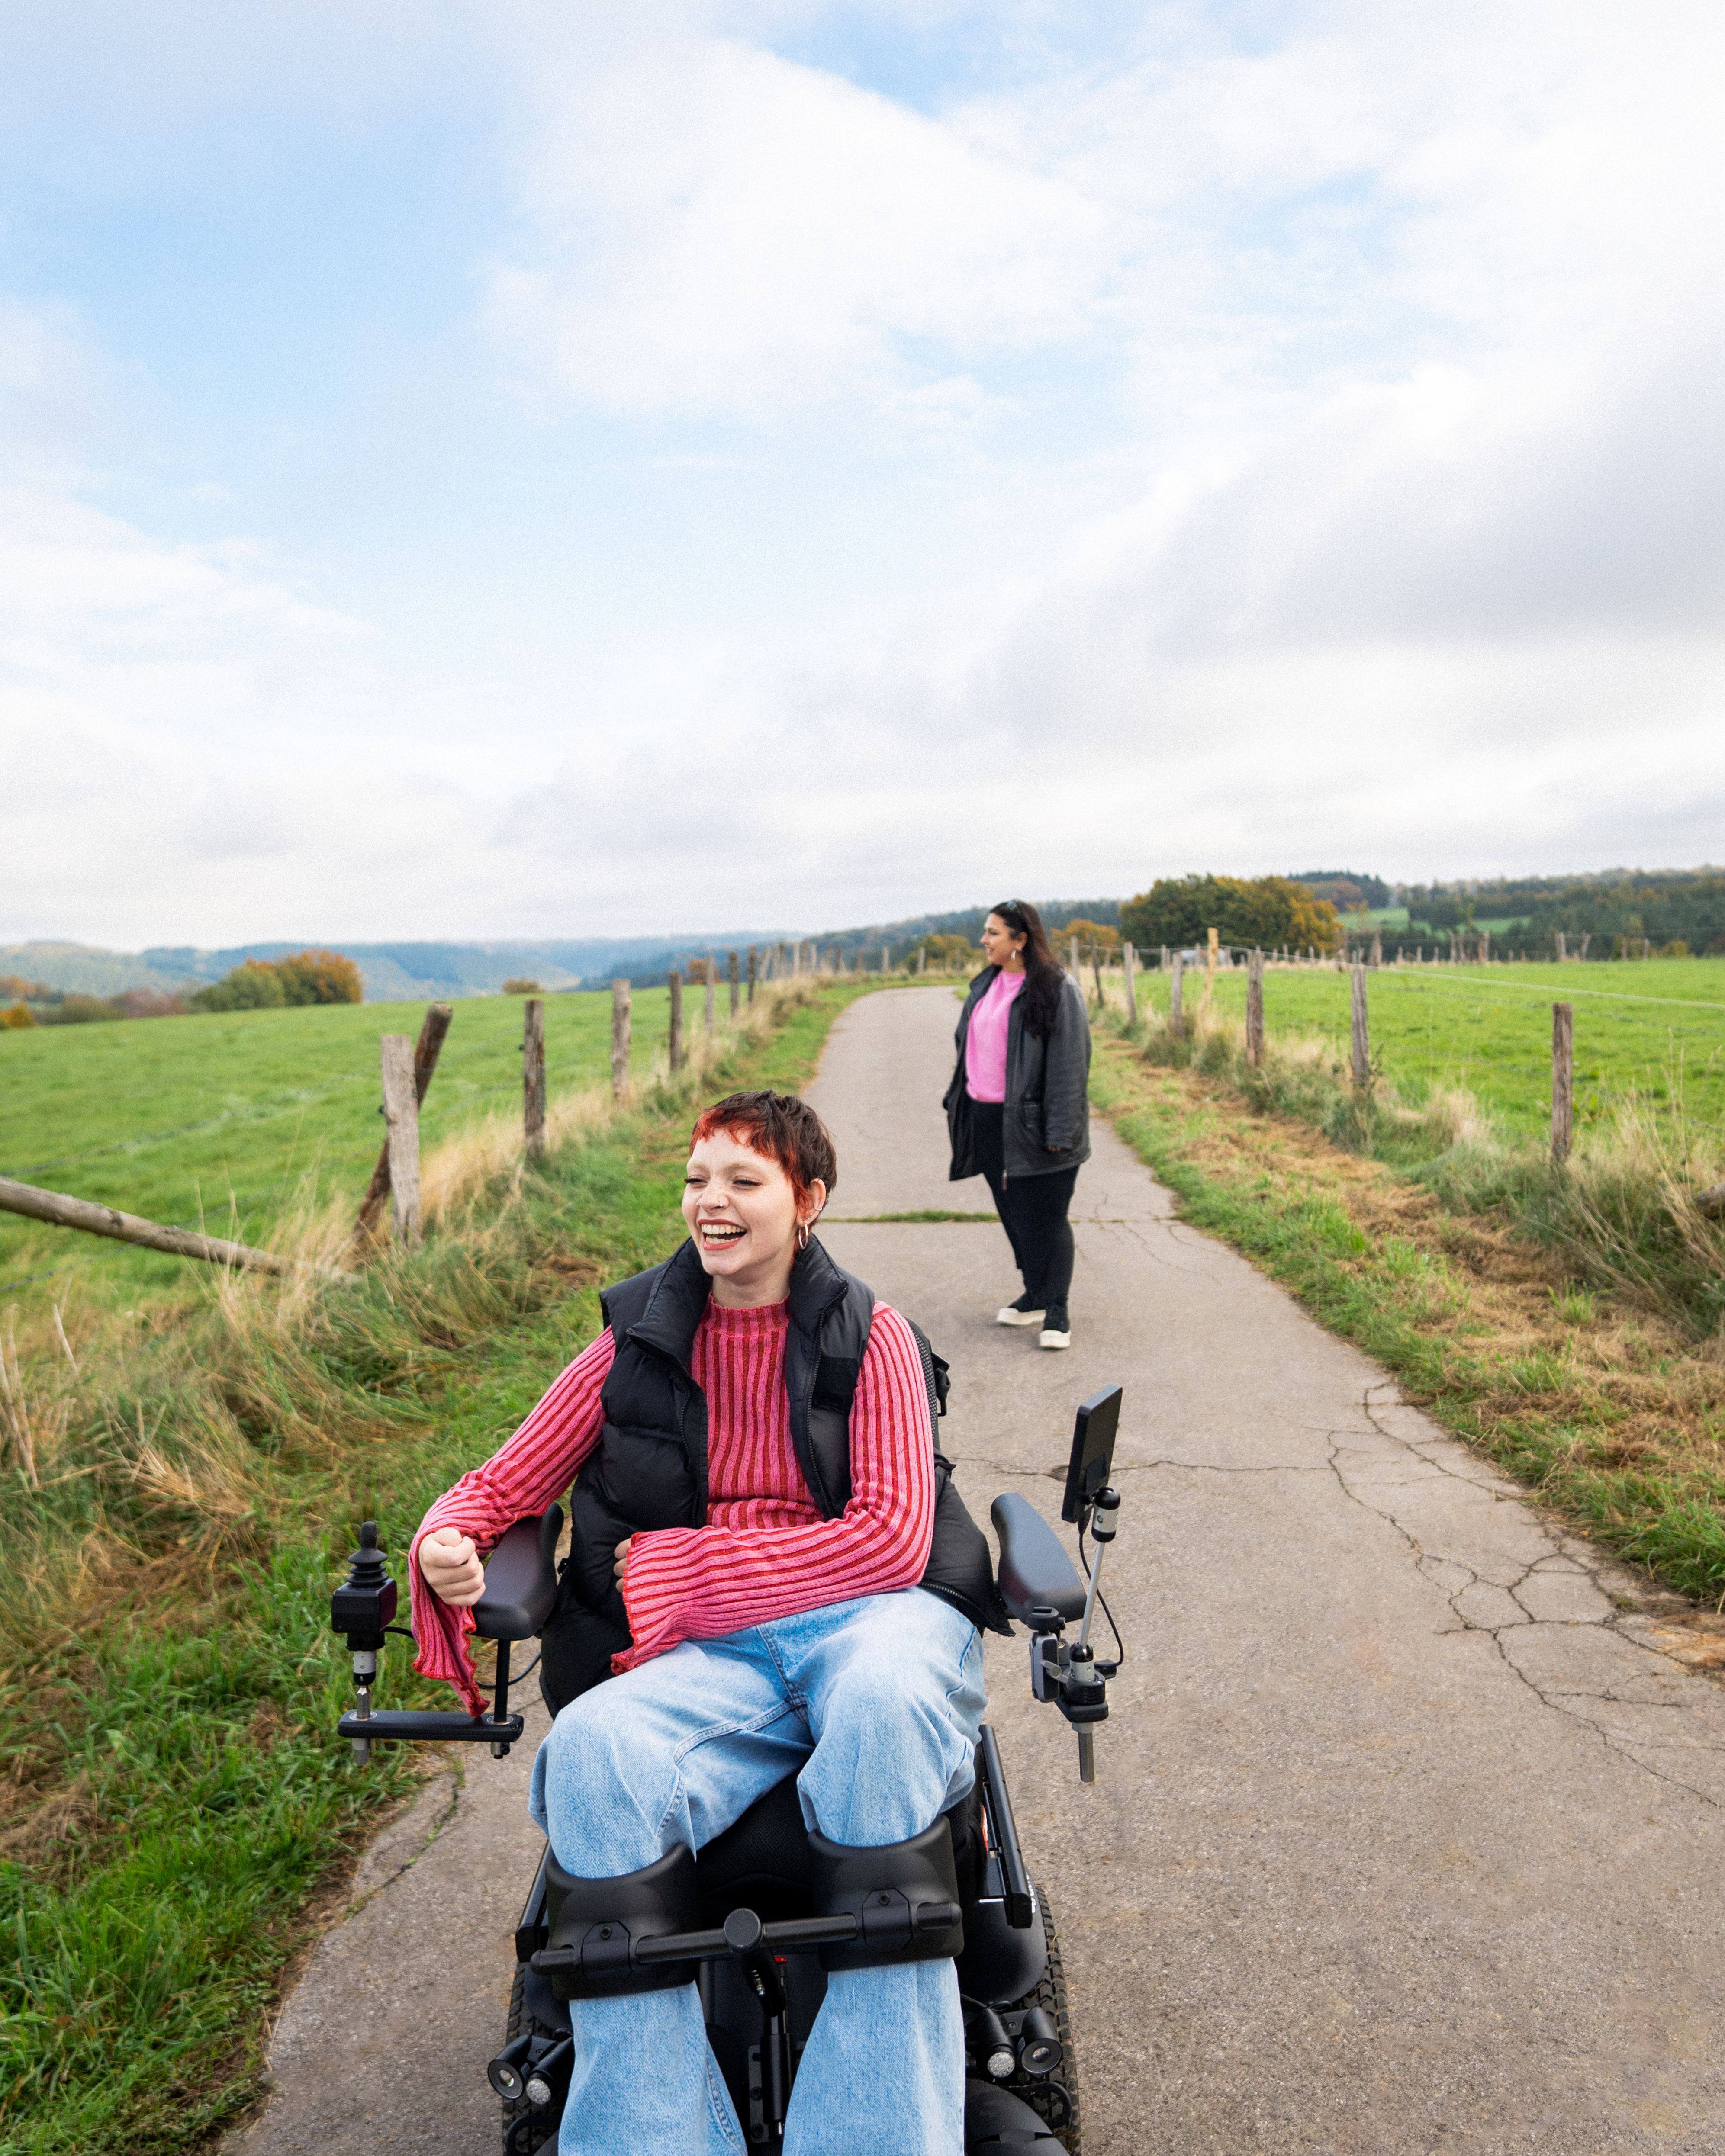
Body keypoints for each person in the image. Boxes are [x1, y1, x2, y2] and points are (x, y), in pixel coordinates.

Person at [411, 1089, 1004, 2156]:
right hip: (719, 1662)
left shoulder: (872, 1336)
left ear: (806, 1200)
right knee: (594, 1749)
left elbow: (887, 1543)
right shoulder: (633, 1343)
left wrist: (686, 1567)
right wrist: (448, 1533)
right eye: (697, 1176)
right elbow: (502, 1480)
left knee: (877, 1698)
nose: (711, 1200)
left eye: (744, 1179)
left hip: (871, 1622)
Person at [943, 900, 1091, 1350]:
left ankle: (1057, 1310)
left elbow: (1070, 1065)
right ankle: (1032, 1293)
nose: (983, 940)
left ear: (1020, 939)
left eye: (993, 933)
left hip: (1036, 1123)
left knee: (1046, 1218)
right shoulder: (985, 984)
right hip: (986, 1118)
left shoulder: (1055, 988)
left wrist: (1059, 1134)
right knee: (1011, 1212)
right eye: (985, 932)